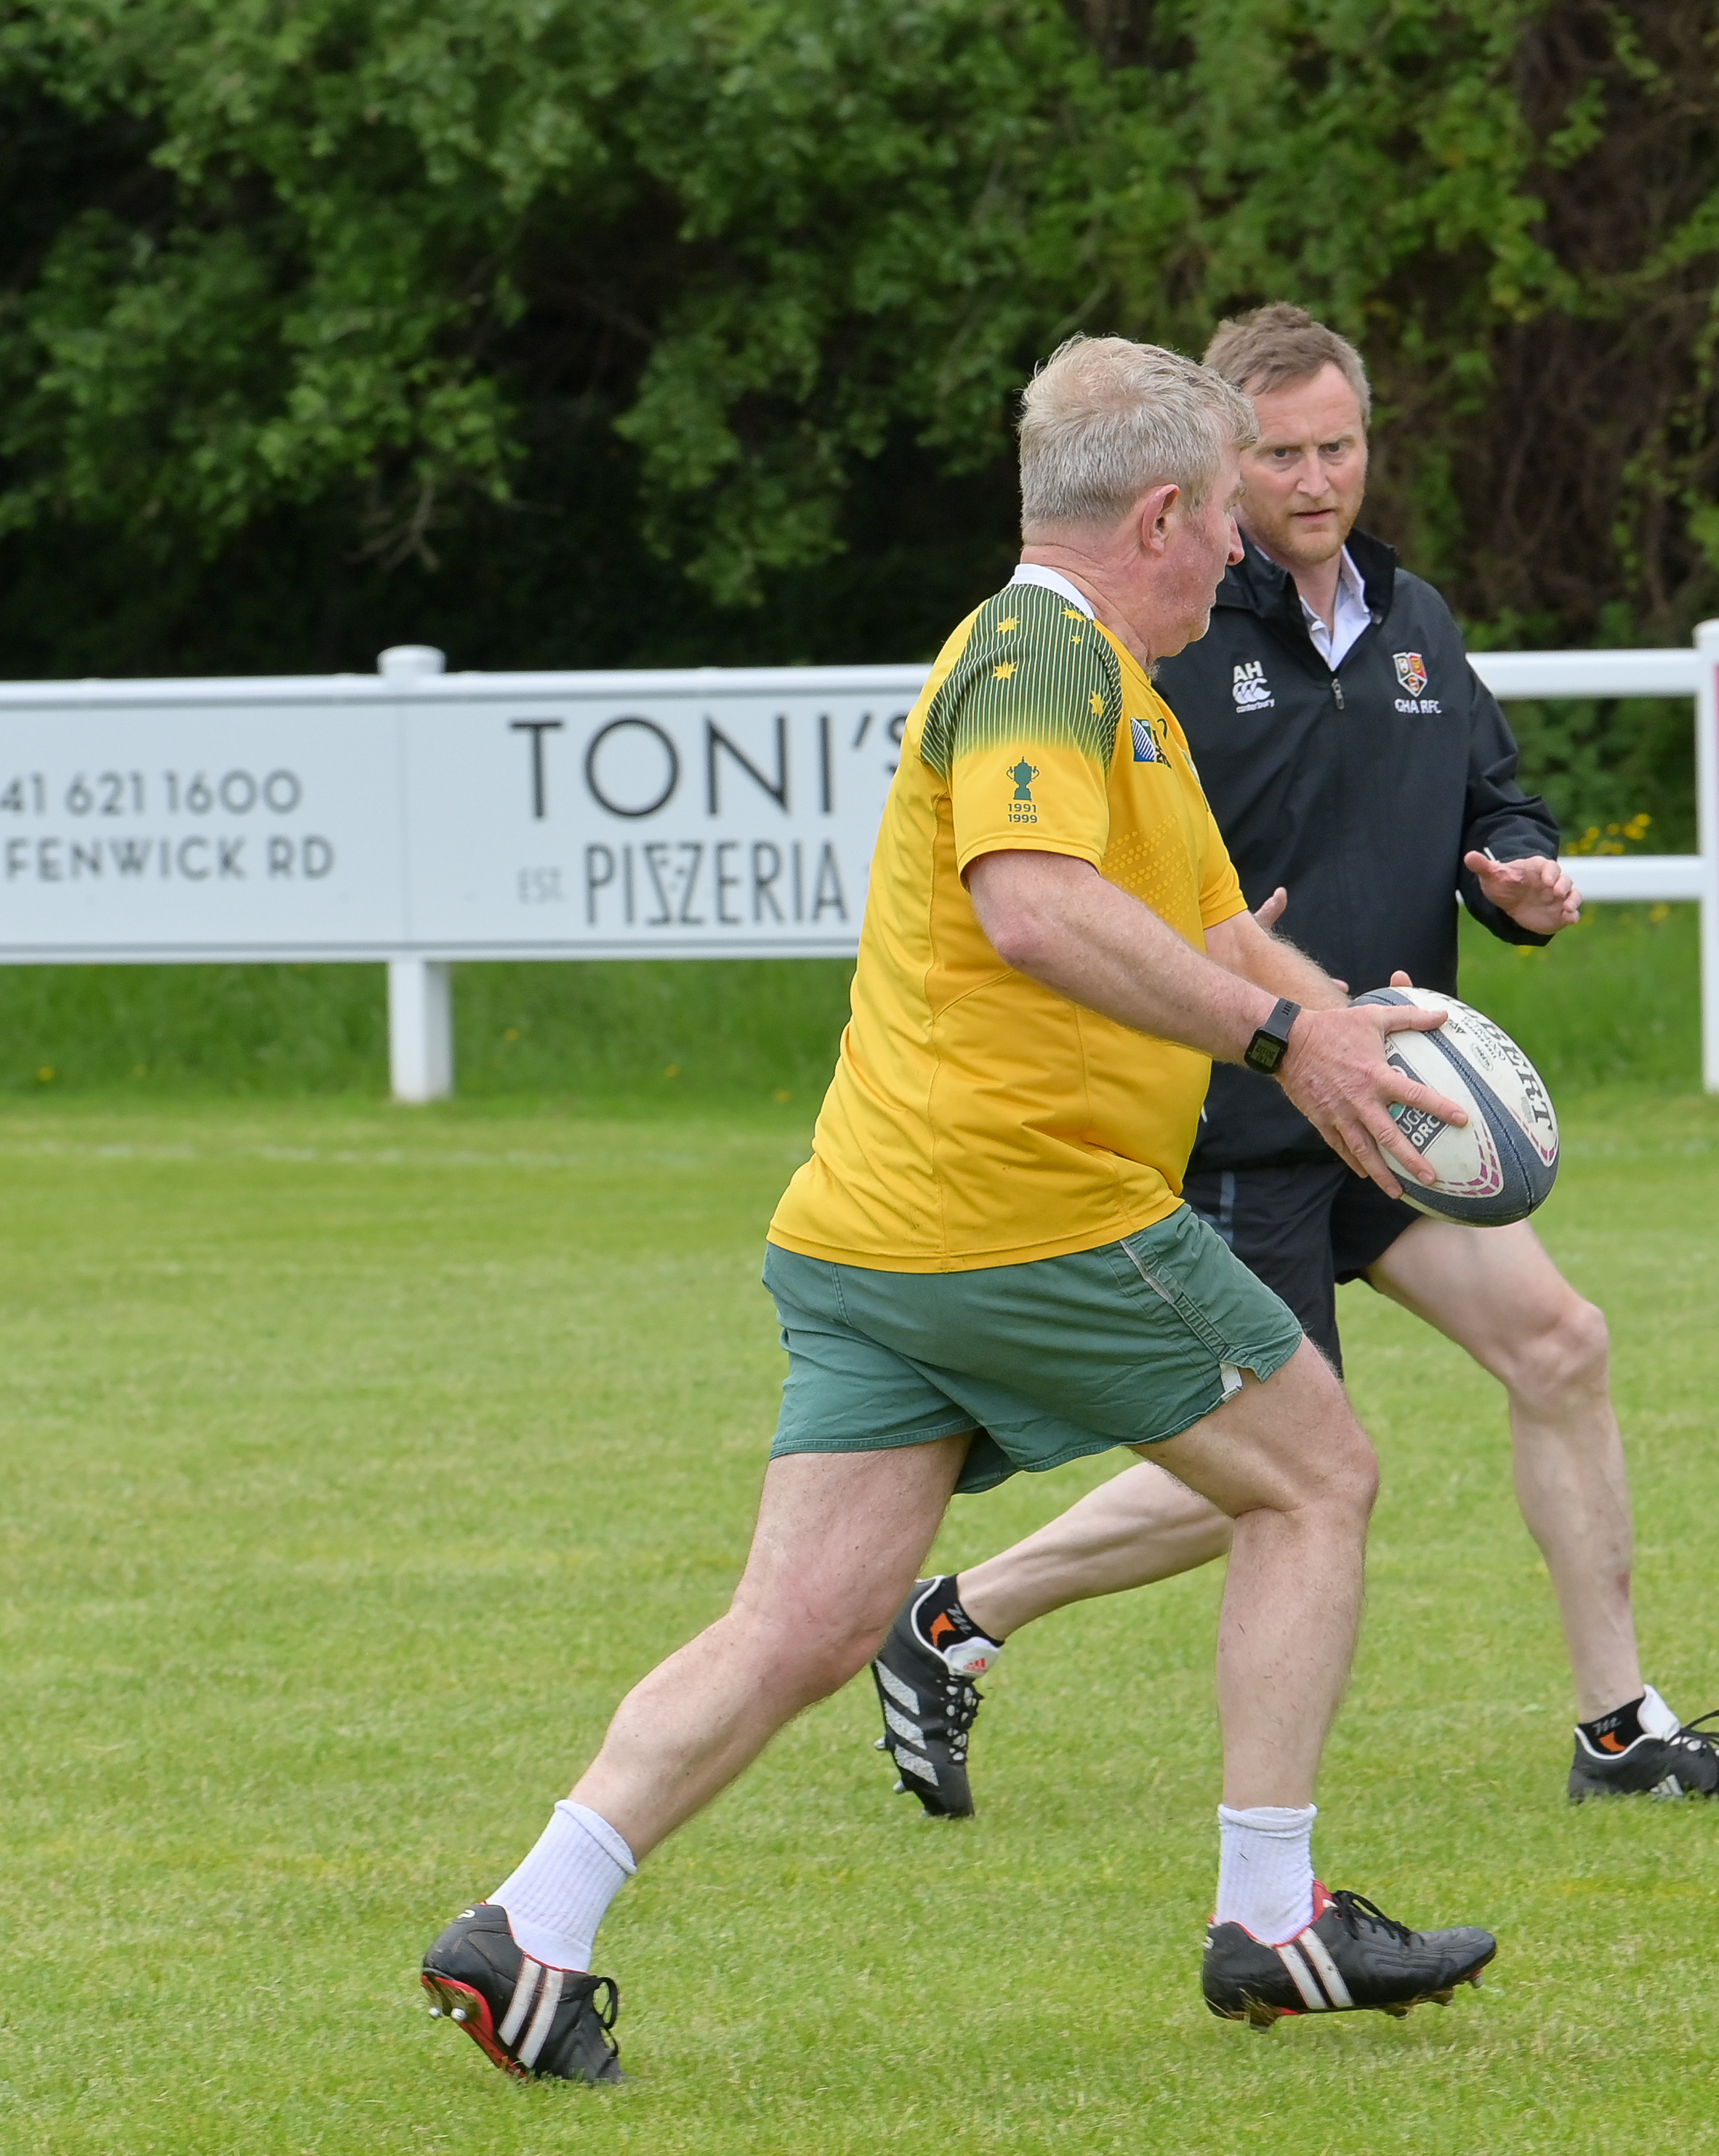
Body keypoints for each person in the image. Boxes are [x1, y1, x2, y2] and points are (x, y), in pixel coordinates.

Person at [416, 337, 1503, 2083]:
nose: (1242, 546)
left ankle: (526, 1929)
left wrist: (1346, 1040)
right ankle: (1272, 1916)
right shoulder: (1035, 656)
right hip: (1023, 1214)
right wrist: (1280, 1041)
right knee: (1318, 1475)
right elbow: (1031, 907)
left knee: (803, 1624)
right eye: (1223, 515)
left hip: (875, 1230)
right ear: (1159, 516)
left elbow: (1216, 932)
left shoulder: (1114, 692)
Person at [864, 304, 1719, 1817]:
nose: (1315, 481)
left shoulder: (1409, 616)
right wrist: (1232, 973)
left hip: (1390, 1096)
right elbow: (1076, 877)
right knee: (1276, 1468)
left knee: (1559, 1345)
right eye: (1282, 455)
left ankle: (1619, 1729)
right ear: (1213, 473)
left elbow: (1491, 798)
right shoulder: (1165, 630)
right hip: (1243, 1113)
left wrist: (1518, 875)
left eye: (1340, 446)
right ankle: (954, 1620)